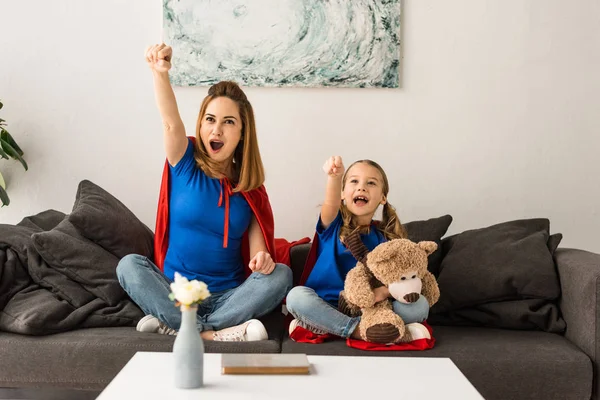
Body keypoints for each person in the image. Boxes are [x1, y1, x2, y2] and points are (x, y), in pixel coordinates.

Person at [116, 43, 292, 342]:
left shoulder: (250, 189)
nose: (216, 130)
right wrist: (160, 73)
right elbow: (170, 121)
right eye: (210, 120)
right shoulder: (184, 161)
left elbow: (259, 253)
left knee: (282, 275)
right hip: (176, 292)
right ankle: (215, 334)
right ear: (200, 124)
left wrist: (263, 260)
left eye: (228, 122)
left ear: (242, 132)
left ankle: (185, 329)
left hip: (228, 297)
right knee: (128, 265)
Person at [286, 156, 430, 341]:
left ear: (383, 197)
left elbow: (402, 279)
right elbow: (331, 203)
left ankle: (330, 326)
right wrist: (335, 177)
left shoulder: (387, 240)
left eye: (371, 183)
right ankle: (358, 331)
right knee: (296, 297)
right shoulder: (333, 226)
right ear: (343, 194)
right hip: (327, 306)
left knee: (420, 305)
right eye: (354, 181)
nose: (361, 187)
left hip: (371, 308)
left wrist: (383, 292)